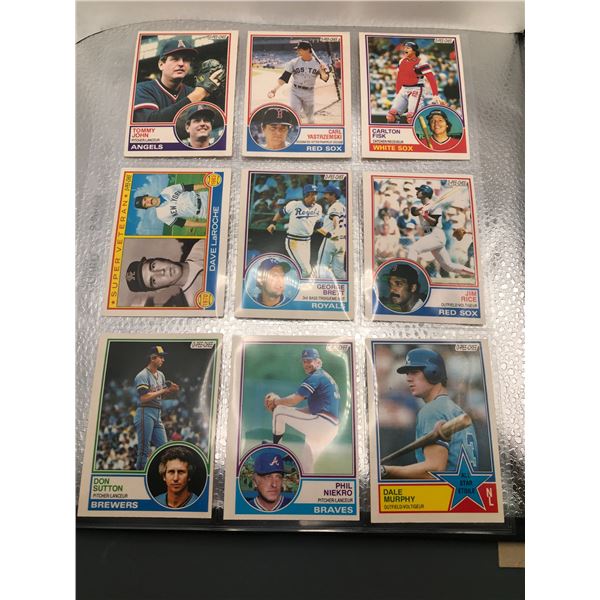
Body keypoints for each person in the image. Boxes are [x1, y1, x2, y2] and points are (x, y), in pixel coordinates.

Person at [381, 348, 478, 479]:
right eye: (407, 374)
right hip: (467, 487)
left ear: (433, 373)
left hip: (446, 490)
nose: (408, 379)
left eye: (414, 372)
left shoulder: (432, 410)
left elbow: (434, 470)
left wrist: (386, 470)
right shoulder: (456, 410)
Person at [263, 348, 340, 473]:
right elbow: (312, 410)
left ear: (318, 361)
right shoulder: (324, 376)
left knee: (279, 411)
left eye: (309, 360)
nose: (306, 364)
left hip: (322, 423)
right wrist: (290, 411)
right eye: (304, 361)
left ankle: (276, 449)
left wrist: (276, 402)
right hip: (329, 427)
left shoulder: (316, 377)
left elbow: (294, 400)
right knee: (306, 467)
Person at [133, 38, 224, 123]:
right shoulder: (142, 89)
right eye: (175, 59)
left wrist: (217, 95)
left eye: (186, 59)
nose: (181, 63)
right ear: (161, 65)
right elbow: (149, 122)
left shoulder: (192, 91)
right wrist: (198, 94)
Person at [407, 185, 474, 277]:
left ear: (425, 193)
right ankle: (473, 273)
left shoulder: (436, 207)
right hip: (430, 235)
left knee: (413, 249)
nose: (417, 192)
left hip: (436, 235)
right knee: (448, 266)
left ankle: (408, 273)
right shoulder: (418, 203)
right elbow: (413, 211)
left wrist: (425, 215)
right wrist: (420, 210)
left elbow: (434, 222)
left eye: (419, 191)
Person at [133, 346, 180, 470]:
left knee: (164, 448)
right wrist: (164, 390)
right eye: (161, 357)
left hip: (157, 413)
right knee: (144, 450)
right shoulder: (142, 375)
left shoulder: (161, 375)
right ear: (153, 358)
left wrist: (170, 391)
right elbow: (144, 398)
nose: (163, 360)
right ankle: (139, 476)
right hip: (145, 412)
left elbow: (160, 396)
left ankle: (158, 473)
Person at [266, 184, 324, 278]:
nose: (315, 196)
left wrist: (328, 234)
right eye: (312, 194)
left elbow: (318, 226)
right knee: (306, 270)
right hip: (293, 241)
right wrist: (273, 223)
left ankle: (291, 280)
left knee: (305, 268)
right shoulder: (294, 204)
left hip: (307, 242)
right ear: (306, 195)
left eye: (315, 194)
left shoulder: (318, 207)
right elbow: (281, 213)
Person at [126, 240, 205, 307]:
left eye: (153, 266)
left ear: (159, 258)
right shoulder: (197, 304)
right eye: (153, 280)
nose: (161, 272)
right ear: (160, 289)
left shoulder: (201, 245)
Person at [267, 40, 330, 124]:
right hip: (296, 92)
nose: (297, 51)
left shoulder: (318, 63)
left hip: (309, 92)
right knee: (295, 115)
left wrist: (322, 71)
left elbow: (325, 78)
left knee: (310, 119)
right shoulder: (293, 62)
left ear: (307, 50)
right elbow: (284, 78)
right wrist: (274, 90)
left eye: (300, 49)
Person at [386, 41, 442, 125]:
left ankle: (418, 131)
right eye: (404, 48)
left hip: (416, 89)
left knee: (412, 118)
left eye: (408, 48)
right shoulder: (401, 61)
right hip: (404, 89)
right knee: (391, 116)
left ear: (414, 50)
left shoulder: (421, 63)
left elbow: (431, 78)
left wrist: (435, 94)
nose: (405, 49)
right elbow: (399, 78)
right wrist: (397, 92)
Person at [134, 181, 208, 230]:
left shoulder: (167, 190)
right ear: (147, 207)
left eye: (145, 199)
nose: (148, 201)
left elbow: (190, 187)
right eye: (145, 204)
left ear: (147, 196)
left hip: (204, 196)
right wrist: (205, 225)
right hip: (203, 212)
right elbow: (184, 223)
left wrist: (208, 185)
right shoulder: (161, 215)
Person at [316, 184, 347, 279]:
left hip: (332, 239)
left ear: (333, 195)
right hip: (342, 242)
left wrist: (335, 232)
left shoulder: (334, 206)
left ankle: (320, 287)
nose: (324, 196)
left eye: (326, 194)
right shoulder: (342, 206)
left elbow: (335, 218)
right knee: (339, 272)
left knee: (322, 268)